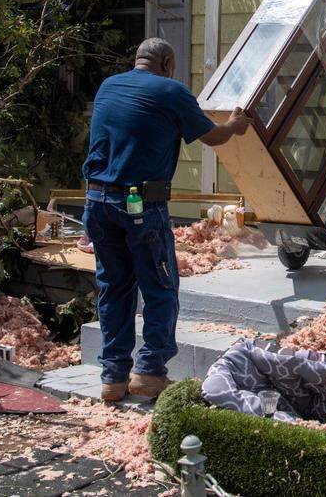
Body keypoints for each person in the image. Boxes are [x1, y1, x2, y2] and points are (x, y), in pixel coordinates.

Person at [81, 37, 250, 402]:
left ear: (138, 60)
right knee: (159, 285)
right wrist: (235, 125)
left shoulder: (109, 85)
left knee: (114, 286)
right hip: (140, 203)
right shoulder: (171, 91)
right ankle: (151, 373)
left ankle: (113, 378)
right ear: (168, 62)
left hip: (97, 200)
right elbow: (214, 137)